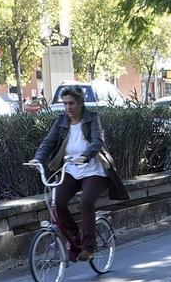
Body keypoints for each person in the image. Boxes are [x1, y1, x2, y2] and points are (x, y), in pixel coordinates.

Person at [28, 85, 129, 260]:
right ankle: (75, 235)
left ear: (80, 103)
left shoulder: (92, 118)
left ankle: (88, 248)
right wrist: (37, 159)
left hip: (94, 170)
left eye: (72, 103)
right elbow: (48, 143)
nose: (68, 107)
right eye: (65, 103)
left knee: (86, 202)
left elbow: (98, 141)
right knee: (58, 202)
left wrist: (85, 155)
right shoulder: (61, 121)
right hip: (70, 170)